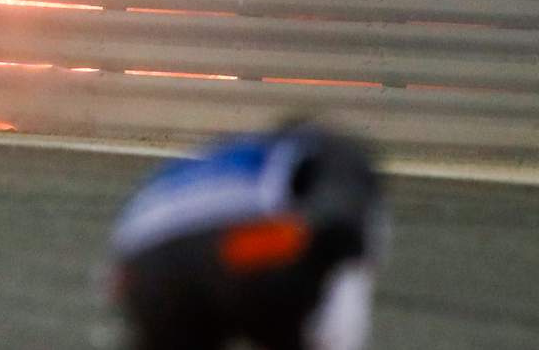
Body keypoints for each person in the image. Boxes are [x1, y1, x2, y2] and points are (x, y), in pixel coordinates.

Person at [109, 124, 384, 350]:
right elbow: (342, 224)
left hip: (139, 259)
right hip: (242, 247)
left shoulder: (227, 152)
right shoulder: (329, 151)